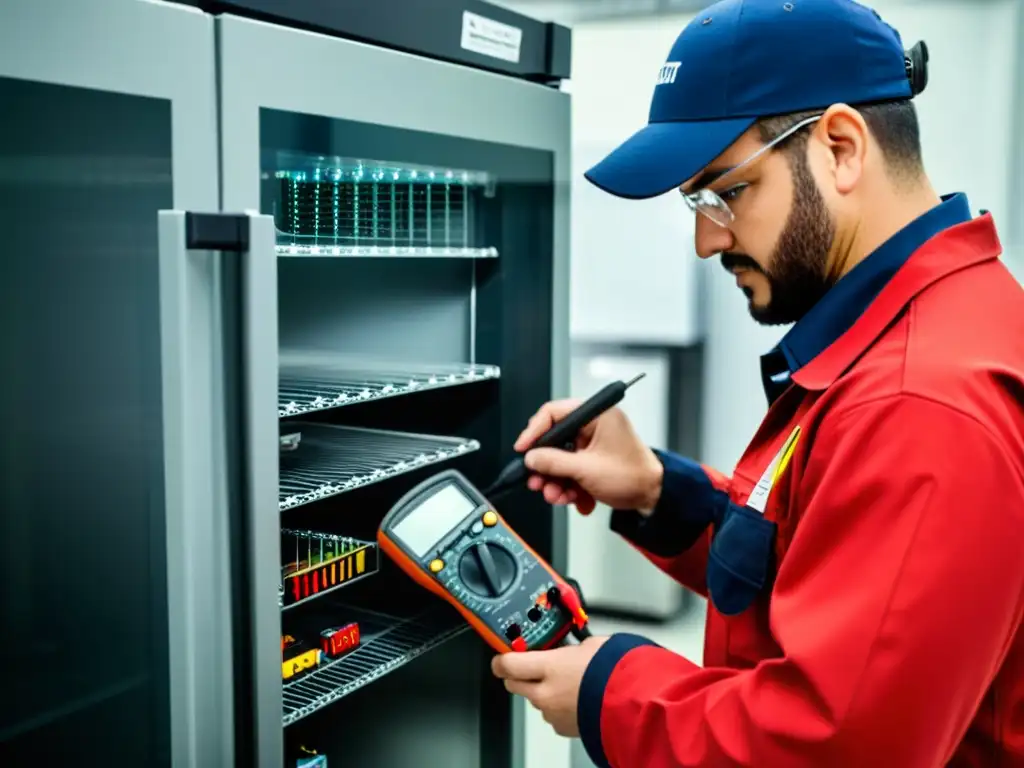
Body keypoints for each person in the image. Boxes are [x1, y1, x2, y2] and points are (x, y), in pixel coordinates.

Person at [489, 0, 1024, 766]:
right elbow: (838, 572)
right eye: (693, 205)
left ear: (840, 147)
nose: (707, 242)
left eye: (722, 193)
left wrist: (610, 690)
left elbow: (838, 749)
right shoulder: (930, 327)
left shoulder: (919, 403)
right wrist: (656, 492)